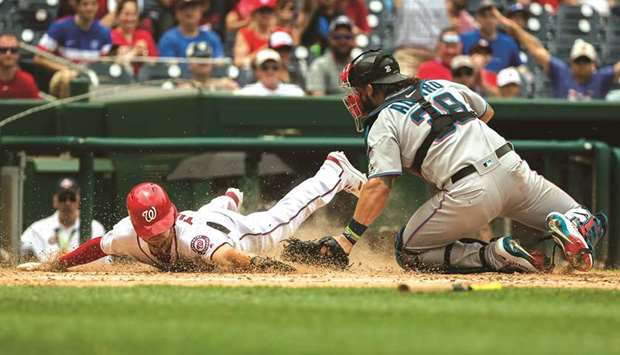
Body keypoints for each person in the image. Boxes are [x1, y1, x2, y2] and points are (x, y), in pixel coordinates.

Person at [283, 49, 608, 274]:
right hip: (513, 168)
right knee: (586, 217)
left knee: (407, 251)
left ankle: (495, 254)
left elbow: (380, 186)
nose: (354, 96)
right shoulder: (442, 84)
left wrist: (348, 239)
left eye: (356, 89)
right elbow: (487, 114)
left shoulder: (383, 122)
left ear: (370, 89)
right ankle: (575, 223)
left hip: (468, 190)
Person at [19, 152, 367, 272]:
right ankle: (228, 198)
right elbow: (97, 245)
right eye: (149, 235)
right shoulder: (128, 234)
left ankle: (333, 171)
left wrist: (292, 272)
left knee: (285, 217)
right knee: (206, 211)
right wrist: (58, 263)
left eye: (161, 230)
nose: (155, 239)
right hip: (201, 216)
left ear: (169, 218)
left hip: (231, 232)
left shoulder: (195, 242)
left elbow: (235, 259)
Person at [493, 7, 620, 100]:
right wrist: (514, 28)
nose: (582, 64)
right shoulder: (562, 73)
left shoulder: (601, 78)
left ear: (594, 64)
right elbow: (536, 48)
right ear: (571, 62)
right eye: (578, 60)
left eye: (586, 61)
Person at [35, 0, 112, 98]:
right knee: (66, 77)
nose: (90, 8)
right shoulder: (60, 27)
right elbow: (39, 57)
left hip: (93, 78)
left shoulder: (104, 32)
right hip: (65, 77)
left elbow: (105, 63)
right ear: (77, 7)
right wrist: (64, 69)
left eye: (93, 4)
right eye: (85, 4)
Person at [20, 177, 105, 262]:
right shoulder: (37, 229)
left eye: (72, 198)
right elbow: (20, 250)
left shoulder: (95, 228)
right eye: (62, 198)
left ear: (79, 200)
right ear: (55, 200)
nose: (67, 203)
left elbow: (105, 262)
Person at [158, 0, 224, 76]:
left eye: (194, 7)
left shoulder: (212, 37)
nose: (189, 11)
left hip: (208, 83)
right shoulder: (168, 39)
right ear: (177, 14)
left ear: (201, 12)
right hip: (179, 84)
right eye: (184, 8)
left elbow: (220, 64)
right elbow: (168, 67)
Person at [392, 0, 451, 77]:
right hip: (407, 55)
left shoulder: (439, 2)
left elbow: (445, 29)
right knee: (402, 85)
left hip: (432, 55)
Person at [460, 1, 522, 73]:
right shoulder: (465, 39)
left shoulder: (509, 43)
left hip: (501, 82)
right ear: (477, 17)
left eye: (492, 15)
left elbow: (520, 67)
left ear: (499, 17)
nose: (488, 20)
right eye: (484, 15)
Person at [306, 16, 355, 96]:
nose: (343, 41)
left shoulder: (358, 66)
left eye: (347, 37)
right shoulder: (319, 65)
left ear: (354, 40)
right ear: (330, 39)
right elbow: (318, 101)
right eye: (337, 37)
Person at [111, 0, 158, 75]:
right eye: (126, 14)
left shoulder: (145, 35)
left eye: (134, 14)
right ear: (118, 15)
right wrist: (135, 51)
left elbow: (155, 63)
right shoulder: (111, 36)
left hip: (144, 82)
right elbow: (109, 63)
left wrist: (143, 54)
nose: (130, 19)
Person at [237, 48, 304, 96]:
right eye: (265, 68)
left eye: (275, 68)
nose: (270, 71)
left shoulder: (295, 93)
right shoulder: (246, 94)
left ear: (281, 70)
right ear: (257, 71)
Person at [233, 0, 281, 68]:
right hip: (253, 72)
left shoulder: (280, 33)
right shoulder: (245, 33)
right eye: (262, 11)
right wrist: (265, 48)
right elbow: (239, 62)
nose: (266, 15)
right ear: (255, 13)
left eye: (269, 11)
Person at [0, 33, 40, 99]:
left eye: (13, 50)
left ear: (18, 54)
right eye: (3, 50)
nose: (8, 54)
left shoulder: (27, 81)